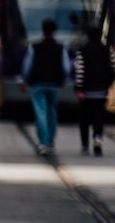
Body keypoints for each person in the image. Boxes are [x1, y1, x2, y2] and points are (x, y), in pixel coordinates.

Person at [22, 18, 70, 156]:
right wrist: (62, 79)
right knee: (52, 113)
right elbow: (66, 67)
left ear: (43, 31)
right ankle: (50, 142)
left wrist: (26, 80)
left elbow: (28, 66)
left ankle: (42, 143)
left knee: (40, 113)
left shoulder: (34, 47)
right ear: (54, 32)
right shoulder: (61, 47)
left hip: (38, 83)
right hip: (54, 84)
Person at [73, 27, 115, 156]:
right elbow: (113, 67)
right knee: (99, 117)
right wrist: (109, 85)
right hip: (102, 90)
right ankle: (98, 139)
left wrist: (79, 88)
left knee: (84, 119)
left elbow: (80, 71)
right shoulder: (108, 50)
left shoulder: (82, 50)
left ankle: (85, 144)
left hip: (86, 91)